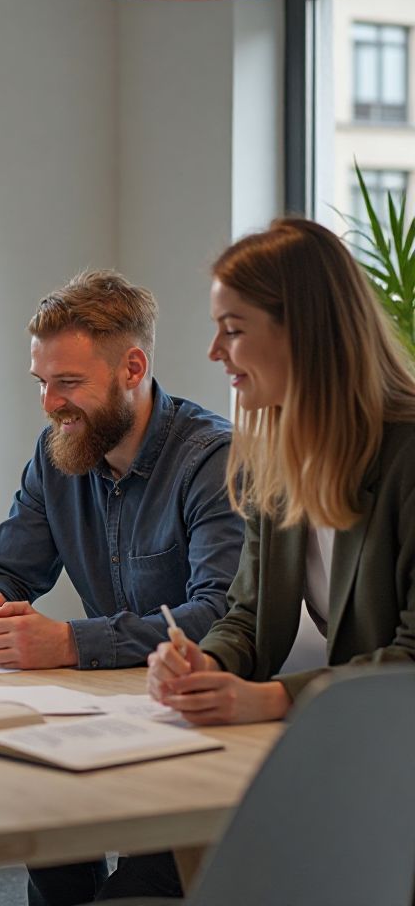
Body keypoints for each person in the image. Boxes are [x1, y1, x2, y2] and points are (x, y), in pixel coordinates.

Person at [0, 269, 243, 904]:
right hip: (105, 718)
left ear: (132, 368)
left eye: (69, 383)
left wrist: (67, 642)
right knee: (47, 844)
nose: (50, 403)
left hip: (197, 739)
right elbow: (3, 568)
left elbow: (220, 615)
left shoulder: (211, 459)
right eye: (43, 383)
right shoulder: (59, 451)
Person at [148, 217, 415, 725]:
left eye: (233, 330)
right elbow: (246, 613)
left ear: (305, 332)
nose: (214, 352)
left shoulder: (407, 455)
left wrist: (275, 699)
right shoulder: (276, 460)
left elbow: (410, 659)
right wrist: (206, 662)